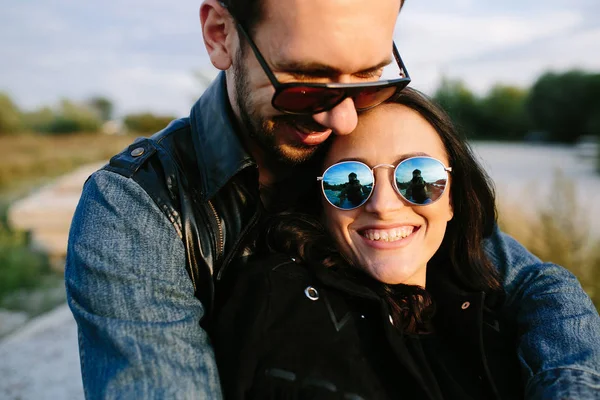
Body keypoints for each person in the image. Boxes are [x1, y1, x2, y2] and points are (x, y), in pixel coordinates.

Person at [64, 0, 600, 398]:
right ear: (220, 34)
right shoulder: (138, 212)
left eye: (370, 77)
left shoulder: (362, 141)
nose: (345, 117)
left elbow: (527, 277)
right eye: (306, 83)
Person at [211, 88, 527, 399]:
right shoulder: (278, 300)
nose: (383, 205)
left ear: (452, 199)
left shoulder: (503, 313)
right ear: (319, 201)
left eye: (416, 177)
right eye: (351, 178)